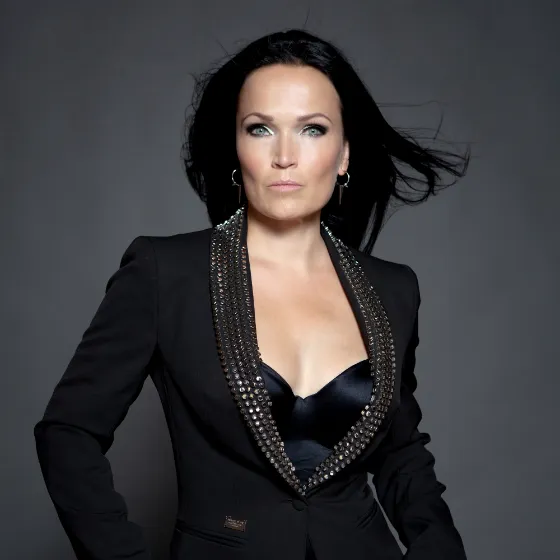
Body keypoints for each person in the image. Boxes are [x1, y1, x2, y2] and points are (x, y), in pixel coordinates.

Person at [34, 29, 470, 560]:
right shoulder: (164, 273)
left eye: (312, 129)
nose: (285, 156)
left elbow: (401, 451)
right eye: (260, 129)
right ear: (235, 148)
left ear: (343, 154)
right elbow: (68, 431)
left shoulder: (393, 289)